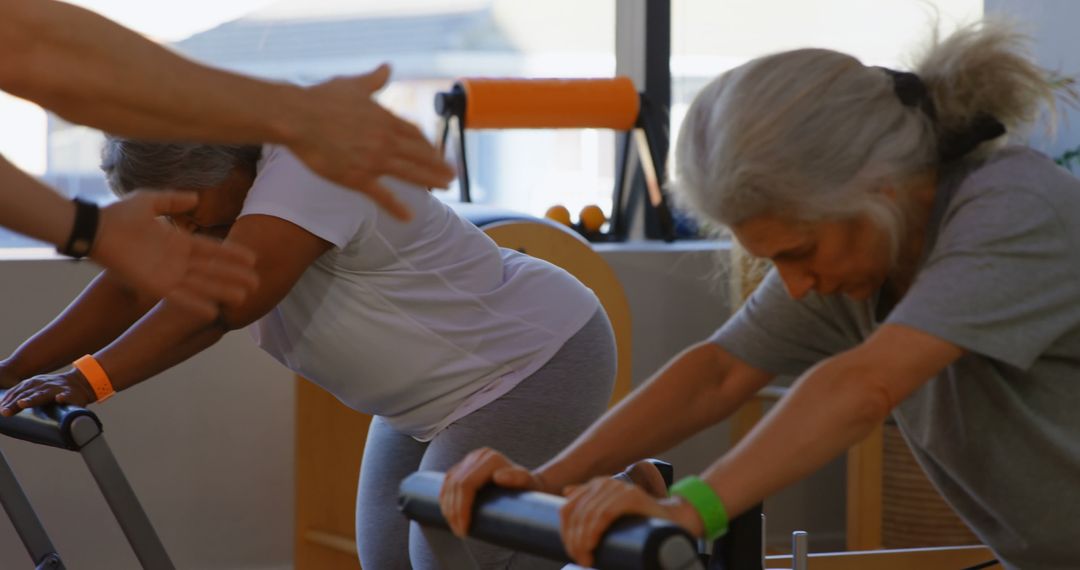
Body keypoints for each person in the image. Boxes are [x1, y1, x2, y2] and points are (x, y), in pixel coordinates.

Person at [439, 20, 1080, 570]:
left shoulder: (1010, 211)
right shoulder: (861, 246)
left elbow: (864, 387)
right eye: (775, 261)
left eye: (798, 254)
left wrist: (691, 508)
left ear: (880, 194)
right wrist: (549, 479)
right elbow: (717, 372)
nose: (795, 286)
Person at [0, 138, 617, 570]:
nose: (182, 233)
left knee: (448, 555)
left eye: (189, 212)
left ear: (226, 164)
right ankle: (609, 492)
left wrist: (89, 380)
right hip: (428, 402)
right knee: (388, 556)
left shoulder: (312, 166)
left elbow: (221, 307)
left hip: (530, 361)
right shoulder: (216, 196)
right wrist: (14, 369)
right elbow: (135, 280)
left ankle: (618, 514)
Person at [0, 0, 454, 313]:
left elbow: (36, 50)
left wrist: (87, 230)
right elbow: (36, 50)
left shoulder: (292, 172)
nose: (188, 228)